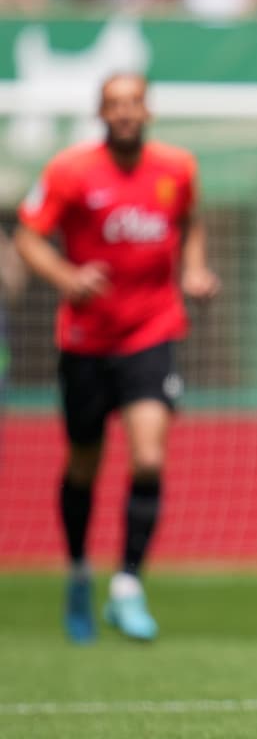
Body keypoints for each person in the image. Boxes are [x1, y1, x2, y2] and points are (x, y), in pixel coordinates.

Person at [14, 72, 219, 644]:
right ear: (101, 113)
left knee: (149, 458)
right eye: (114, 104)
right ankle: (80, 572)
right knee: (83, 465)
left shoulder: (177, 169)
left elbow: (191, 221)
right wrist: (65, 276)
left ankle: (127, 584)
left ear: (147, 111)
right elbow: (28, 236)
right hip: (85, 341)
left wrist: (194, 270)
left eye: (134, 103)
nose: (125, 113)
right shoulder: (69, 171)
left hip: (151, 333)